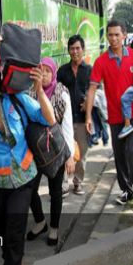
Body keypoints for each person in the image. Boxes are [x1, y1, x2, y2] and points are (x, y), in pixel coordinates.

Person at [0, 53, 56, 265]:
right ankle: (16, 263)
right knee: (3, 233)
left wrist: (39, 89)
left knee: (14, 232)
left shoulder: (16, 98)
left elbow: (49, 119)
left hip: (24, 178)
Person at [85, 20, 133, 208]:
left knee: (132, 150)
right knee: (119, 154)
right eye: (110, 35)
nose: (113, 38)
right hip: (115, 115)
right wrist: (88, 117)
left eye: (117, 34)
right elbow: (92, 89)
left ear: (124, 36)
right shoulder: (101, 61)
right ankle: (126, 190)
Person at [27, 57, 76, 246]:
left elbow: (67, 125)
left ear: (54, 73)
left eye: (48, 71)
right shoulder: (31, 91)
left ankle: (54, 228)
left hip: (55, 148)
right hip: (35, 149)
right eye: (41, 70)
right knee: (30, 189)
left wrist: (69, 155)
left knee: (55, 191)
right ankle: (40, 222)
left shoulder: (61, 92)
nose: (45, 74)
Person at [56, 35, 91, 195]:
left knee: (82, 154)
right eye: (72, 48)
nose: (75, 51)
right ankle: (63, 184)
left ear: (83, 50)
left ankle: (78, 182)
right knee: (63, 151)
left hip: (83, 120)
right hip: (64, 120)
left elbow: (96, 91)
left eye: (77, 48)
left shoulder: (89, 70)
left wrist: (89, 103)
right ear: (68, 51)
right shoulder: (62, 71)